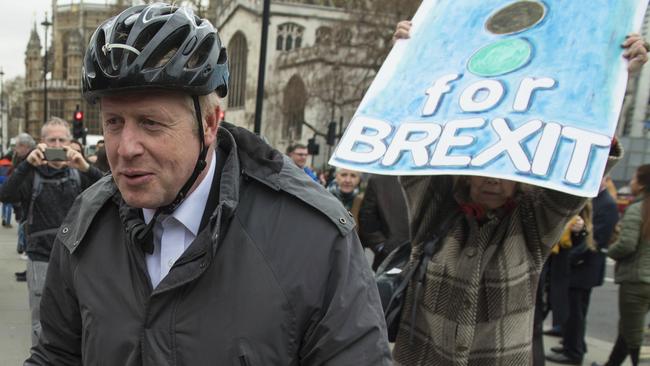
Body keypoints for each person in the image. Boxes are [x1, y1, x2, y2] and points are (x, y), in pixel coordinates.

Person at [25, 4, 390, 365]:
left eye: (151, 122)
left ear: (211, 123)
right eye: (114, 122)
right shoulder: (86, 225)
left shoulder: (313, 237)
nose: (125, 148)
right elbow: (56, 354)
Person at [391, 21, 646, 365]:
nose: (494, 180)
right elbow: (413, 146)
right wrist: (409, 58)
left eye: (504, 169)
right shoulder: (436, 214)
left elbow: (581, 164)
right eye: (485, 169)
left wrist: (617, 83)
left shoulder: (531, 224)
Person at [0, 117, 103, 347]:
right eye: (51, 140)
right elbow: (5, 195)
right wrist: (27, 163)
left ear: (70, 142)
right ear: (42, 143)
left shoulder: (80, 174)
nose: (57, 145)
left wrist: (86, 167)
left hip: (79, 262)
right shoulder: (31, 175)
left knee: (81, 325)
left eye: (62, 140)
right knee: (42, 327)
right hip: (41, 261)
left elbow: (114, 192)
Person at [546, 177, 620, 365]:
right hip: (579, 266)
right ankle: (572, 345)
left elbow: (597, 240)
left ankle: (574, 352)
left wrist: (568, 259)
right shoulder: (593, 198)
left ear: (605, 179)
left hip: (584, 268)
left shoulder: (608, 204)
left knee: (576, 312)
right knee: (573, 310)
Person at [593, 165, 650, 366]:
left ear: (642, 184)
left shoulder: (638, 209)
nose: (631, 182)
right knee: (628, 328)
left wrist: (611, 251)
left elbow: (627, 244)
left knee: (634, 336)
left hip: (636, 281)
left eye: (634, 178)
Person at [358, 174, 410, 271]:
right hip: (389, 257)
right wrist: (382, 247)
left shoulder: (431, 177)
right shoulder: (379, 180)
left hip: (424, 258)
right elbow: (367, 217)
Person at [11, 133, 36, 280]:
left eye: (17, 146)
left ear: (25, 147)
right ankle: (29, 270)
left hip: (31, 207)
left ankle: (30, 272)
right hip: (26, 205)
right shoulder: (24, 159)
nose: (15, 149)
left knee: (30, 241)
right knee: (28, 241)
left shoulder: (32, 159)